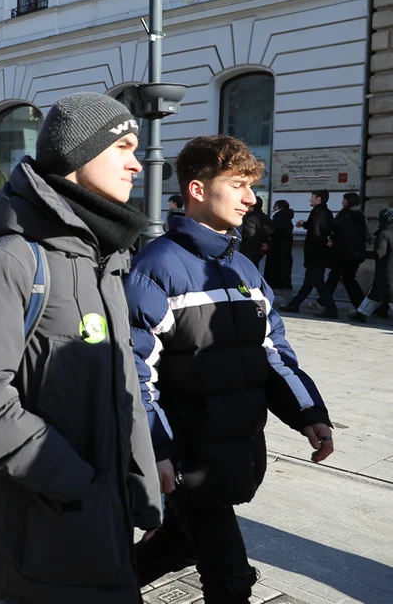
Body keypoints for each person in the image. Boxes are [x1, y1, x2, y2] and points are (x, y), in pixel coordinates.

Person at [0, 92, 160, 603]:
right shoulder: (15, 259)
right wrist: (76, 485)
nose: (137, 162)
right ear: (79, 156)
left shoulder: (106, 255)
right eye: (123, 147)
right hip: (41, 532)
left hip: (103, 519)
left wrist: (142, 493)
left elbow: (123, 384)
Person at [127, 135, 334, 603]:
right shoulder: (156, 267)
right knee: (231, 581)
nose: (251, 198)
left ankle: (96, 589)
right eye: (238, 184)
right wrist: (155, 449)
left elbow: (273, 352)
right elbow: (135, 373)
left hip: (233, 452)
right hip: (187, 460)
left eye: (251, 186)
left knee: (180, 545)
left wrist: (308, 413)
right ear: (198, 190)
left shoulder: (244, 268)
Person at [282, 190, 337, 317]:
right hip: (320, 252)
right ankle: (294, 305)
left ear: (318, 199)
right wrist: (305, 224)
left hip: (315, 252)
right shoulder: (327, 212)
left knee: (318, 282)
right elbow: (318, 227)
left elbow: (316, 232)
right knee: (308, 282)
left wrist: (323, 241)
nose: (310, 200)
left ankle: (331, 309)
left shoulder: (317, 212)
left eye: (312, 197)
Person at [348, 206, 393, 323]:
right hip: (388, 270)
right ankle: (361, 313)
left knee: (390, 294)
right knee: (374, 293)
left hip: (386, 270)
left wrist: (361, 254)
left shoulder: (383, 233)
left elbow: (379, 253)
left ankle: (361, 313)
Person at [325, 192, 368, 309]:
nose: (342, 202)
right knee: (348, 279)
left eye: (344, 200)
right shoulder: (360, 215)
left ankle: (325, 302)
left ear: (348, 201)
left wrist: (331, 240)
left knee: (334, 277)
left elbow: (336, 230)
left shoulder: (345, 215)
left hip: (343, 253)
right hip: (356, 254)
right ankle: (361, 306)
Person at [264, 199, 295, 295]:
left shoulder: (278, 218)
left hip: (276, 250)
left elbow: (272, 231)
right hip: (284, 251)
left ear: (278, 207)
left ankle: (286, 300)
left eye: (274, 206)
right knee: (282, 277)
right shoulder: (287, 218)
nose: (273, 208)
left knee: (277, 277)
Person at [239, 195, 273, 266]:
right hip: (261, 249)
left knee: (247, 268)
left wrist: (259, 245)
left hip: (250, 249)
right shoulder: (265, 217)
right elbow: (269, 231)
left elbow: (250, 235)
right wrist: (265, 244)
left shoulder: (250, 218)